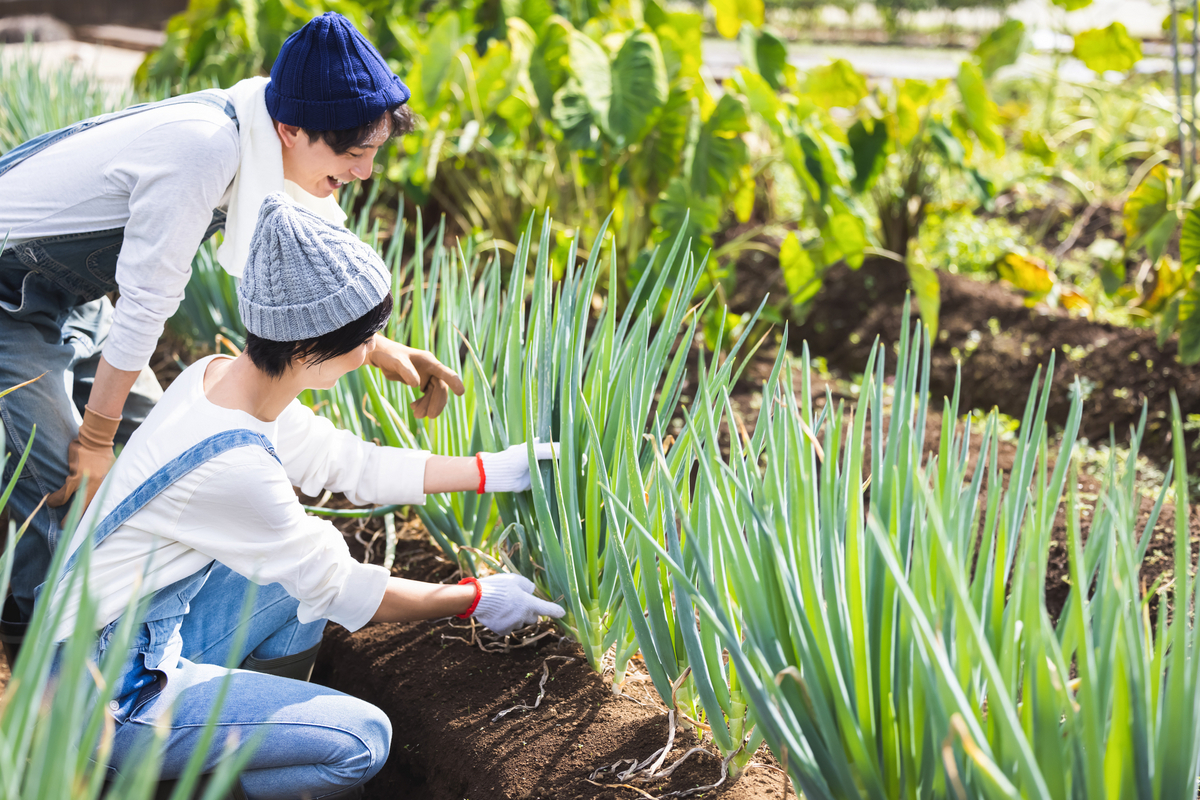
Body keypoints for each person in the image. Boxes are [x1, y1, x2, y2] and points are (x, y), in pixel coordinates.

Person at [46, 193, 567, 800]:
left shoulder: (218, 378)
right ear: (304, 347)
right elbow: (343, 589)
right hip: (107, 702)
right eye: (363, 339)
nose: (370, 353)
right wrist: (476, 598)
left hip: (117, 640)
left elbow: (348, 462)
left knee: (290, 588)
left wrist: (489, 471)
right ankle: (190, 779)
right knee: (362, 739)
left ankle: (237, 746)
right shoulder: (234, 465)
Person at [0, 11, 464, 632]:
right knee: (63, 483)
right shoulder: (202, 148)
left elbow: (313, 266)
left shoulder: (269, 132)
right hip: (8, 297)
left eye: (373, 153)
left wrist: (379, 347)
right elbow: (147, 300)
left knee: (167, 442)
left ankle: (135, 627)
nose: (364, 172)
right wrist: (93, 440)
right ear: (292, 129)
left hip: (69, 295)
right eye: (354, 154)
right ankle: (42, 661)